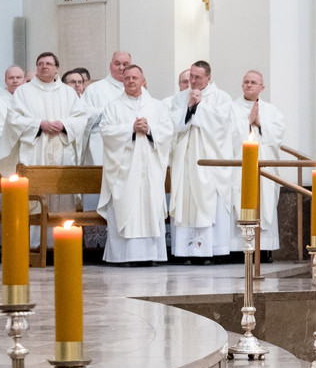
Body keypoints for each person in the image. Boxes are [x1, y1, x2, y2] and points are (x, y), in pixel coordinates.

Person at [97, 65, 171, 265]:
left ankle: (151, 255)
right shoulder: (113, 106)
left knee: (149, 205)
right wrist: (130, 128)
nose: (131, 81)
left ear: (142, 79)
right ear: (122, 81)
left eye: (135, 77)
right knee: (125, 206)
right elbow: (106, 132)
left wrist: (149, 129)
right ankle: (124, 256)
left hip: (150, 168)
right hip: (124, 170)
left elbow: (167, 132)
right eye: (127, 77)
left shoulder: (157, 106)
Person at [168, 60, 235, 262]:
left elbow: (221, 125)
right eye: (191, 77)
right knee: (186, 200)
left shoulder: (222, 97)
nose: (193, 81)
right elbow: (172, 124)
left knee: (208, 201)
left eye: (198, 77)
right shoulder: (180, 98)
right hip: (186, 161)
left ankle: (211, 250)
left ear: (208, 77)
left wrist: (200, 106)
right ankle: (185, 251)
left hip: (209, 161)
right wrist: (188, 108)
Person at [0, 52, 86, 176]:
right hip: (34, 151)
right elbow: (13, 119)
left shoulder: (68, 93)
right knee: (35, 190)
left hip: (62, 151)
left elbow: (81, 118)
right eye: (40, 64)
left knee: (62, 191)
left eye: (48, 64)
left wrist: (64, 125)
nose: (44, 66)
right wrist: (39, 125)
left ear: (57, 68)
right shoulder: (23, 92)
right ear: (36, 68)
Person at [231, 70, 285, 252]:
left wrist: (260, 123)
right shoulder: (232, 108)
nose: (248, 85)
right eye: (246, 81)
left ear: (262, 87)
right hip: (240, 166)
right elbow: (226, 135)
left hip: (264, 165)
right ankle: (241, 248)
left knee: (265, 200)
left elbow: (277, 134)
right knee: (240, 198)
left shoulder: (271, 110)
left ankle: (265, 248)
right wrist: (247, 122)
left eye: (253, 82)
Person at [81, 51, 133, 165]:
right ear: (110, 65)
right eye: (117, 63)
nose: (121, 68)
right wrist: (107, 112)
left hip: (129, 145)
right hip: (102, 145)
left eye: (125, 64)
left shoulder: (138, 90)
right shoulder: (95, 89)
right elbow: (83, 115)